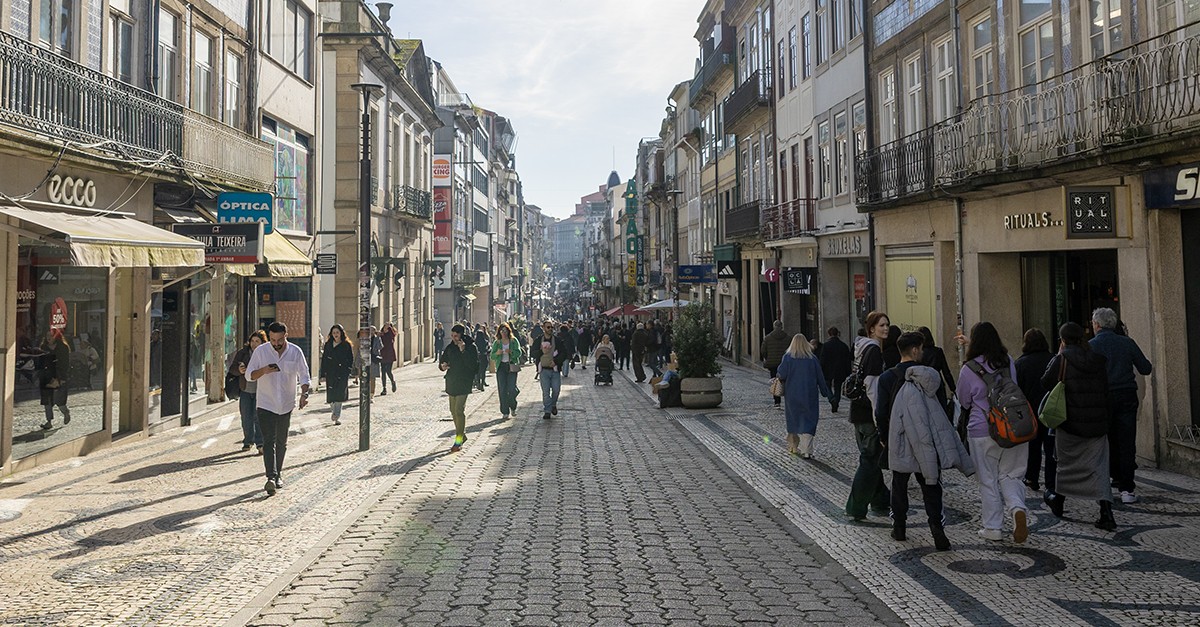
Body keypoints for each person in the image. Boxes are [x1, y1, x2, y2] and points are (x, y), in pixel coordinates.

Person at [880, 332, 974, 551]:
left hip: (901, 439)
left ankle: (900, 527)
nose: (922, 352)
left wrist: (885, 437)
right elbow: (941, 408)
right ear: (914, 350)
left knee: (899, 484)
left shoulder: (887, 378)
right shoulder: (931, 377)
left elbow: (881, 411)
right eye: (921, 349)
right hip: (926, 440)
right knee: (931, 484)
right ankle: (936, 528)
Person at [958, 321, 1029, 543]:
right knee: (1011, 474)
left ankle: (993, 528)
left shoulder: (968, 368)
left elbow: (963, 400)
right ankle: (1017, 508)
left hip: (982, 430)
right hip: (1012, 426)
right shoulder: (1008, 361)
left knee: (988, 480)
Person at [1042, 322, 1116, 531]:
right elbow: (1105, 390)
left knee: (1066, 465)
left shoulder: (1061, 360)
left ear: (1062, 340)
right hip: (1096, 423)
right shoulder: (1097, 360)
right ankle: (1106, 511)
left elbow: (1045, 383)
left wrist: (1058, 355)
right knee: (1099, 468)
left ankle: (1058, 500)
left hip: (1070, 422)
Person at [1089, 307, 1153, 504]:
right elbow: (1146, 367)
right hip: (1126, 395)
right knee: (1126, 441)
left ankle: (1104, 485)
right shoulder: (1127, 343)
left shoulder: (1091, 345)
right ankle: (1127, 489)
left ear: (1097, 325)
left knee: (1103, 441)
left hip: (1102, 398)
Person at [246, 321, 311, 497]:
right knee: (268, 441)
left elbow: (304, 375)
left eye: (280, 340)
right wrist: (264, 370)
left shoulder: (295, 352)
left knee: (281, 441)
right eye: (273, 340)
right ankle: (271, 477)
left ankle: (279, 474)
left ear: (286, 335)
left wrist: (304, 395)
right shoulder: (261, 351)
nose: (276, 343)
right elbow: (249, 375)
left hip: (286, 404)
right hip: (265, 403)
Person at [846, 311, 891, 522]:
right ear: (871, 328)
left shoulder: (861, 348)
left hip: (858, 412)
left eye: (887, 325)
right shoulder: (873, 351)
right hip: (868, 414)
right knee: (870, 460)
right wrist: (878, 418)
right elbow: (872, 387)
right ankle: (856, 507)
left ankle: (882, 499)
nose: (886, 329)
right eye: (881, 325)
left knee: (871, 458)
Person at [776, 333, 832, 458]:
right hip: (809, 394)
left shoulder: (787, 358)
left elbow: (781, 374)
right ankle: (807, 450)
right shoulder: (812, 359)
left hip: (792, 395)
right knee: (809, 420)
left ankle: (794, 446)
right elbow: (820, 377)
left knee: (793, 420)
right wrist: (825, 392)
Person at [1015, 328, 1056, 493]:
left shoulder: (1021, 363)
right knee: (1050, 446)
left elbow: (1017, 389)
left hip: (1030, 410)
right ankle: (1051, 482)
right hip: (1050, 409)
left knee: (1032, 445)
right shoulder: (1053, 359)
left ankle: (1031, 477)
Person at [439, 324, 478, 452]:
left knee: (459, 410)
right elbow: (443, 360)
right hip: (452, 381)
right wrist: (442, 366)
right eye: (452, 336)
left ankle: (458, 440)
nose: (454, 338)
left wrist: (463, 350)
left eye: (456, 336)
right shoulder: (450, 347)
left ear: (461, 335)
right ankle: (462, 435)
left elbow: (474, 365)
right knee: (453, 411)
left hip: (464, 381)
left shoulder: (471, 347)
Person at [229, 330, 267, 452]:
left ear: (262, 342)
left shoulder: (266, 354)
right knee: (246, 417)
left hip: (260, 390)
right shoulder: (243, 353)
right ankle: (248, 441)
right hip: (245, 389)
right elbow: (232, 369)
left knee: (258, 417)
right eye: (252, 341)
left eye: (257, 341)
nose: (254, 344)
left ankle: (260, 443)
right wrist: (239, 370)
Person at [531, 321, 569, 419]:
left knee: (556, 390)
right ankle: (547, 411)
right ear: (543, 328)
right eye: (548, 327)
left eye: (551, 327)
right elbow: (532, 353)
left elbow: (564, 353)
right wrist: (541, 352)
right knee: (546, 392)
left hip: (555, 369)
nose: (550, 329)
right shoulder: (539, 340)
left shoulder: (557, 340)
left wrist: (556, 361)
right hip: (543, 370)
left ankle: (553, 404)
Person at [320, 324, 354, 426]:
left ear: (341, 333)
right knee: (331, 394)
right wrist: (323, 373)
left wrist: (348, 370)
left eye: (337, 333)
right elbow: (325, 359)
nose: (335, 335)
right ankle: (333, 411)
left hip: (342, 373)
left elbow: (350, 359)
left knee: (339, 394)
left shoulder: (346, 345)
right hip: (331, 372)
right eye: (334, 333)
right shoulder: (328, 345)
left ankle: (336, 415)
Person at [38, 330, 72, 430]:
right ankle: (49, 421)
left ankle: (65, 412)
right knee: (47, 401)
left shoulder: (63, 347)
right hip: (46, 377)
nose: (49, 337)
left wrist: (62, 378)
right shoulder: (43, 348)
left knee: (59, 400)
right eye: (47, 335)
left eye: (51, 335)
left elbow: (65, 364)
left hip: (58, 376)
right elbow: (40, 362)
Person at [491, 323, 523, 419]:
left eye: (505, 331)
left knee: (511, 388)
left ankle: (513, 406)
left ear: (508, 331)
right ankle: (505, 411)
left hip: (511, 366)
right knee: (502, 389)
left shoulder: (513, 341)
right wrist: (497, 353)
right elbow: (492, 356)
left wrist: (511, 352)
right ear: (499, 332)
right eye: (502, 331)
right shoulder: (497, 343)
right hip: (501, 367)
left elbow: (519, 352)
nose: (503, 333)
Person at [819, 327, 853, 413]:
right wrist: (848, 371)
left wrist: (821, 370)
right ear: (837, 333)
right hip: (840, 370)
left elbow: (823, 359)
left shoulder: (826, 346)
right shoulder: (843, 346)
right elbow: (847, 360)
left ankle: (831, 399)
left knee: (827, 386)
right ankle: (836, 401)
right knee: (838, 388)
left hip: (828, 370)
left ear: (829, 334)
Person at [917, 326, 956, 400]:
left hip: (922, 385)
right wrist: (953, 388)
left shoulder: (918, 354)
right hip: (937, 384)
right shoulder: (938, 351)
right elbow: (946, 372)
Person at [761, 321, 791, 409]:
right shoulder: (788, 338)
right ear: (781, 327)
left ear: (774, 327)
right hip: (785, 363)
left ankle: (777, 401)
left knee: (775, 381)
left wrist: (768, 357)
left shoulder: (767, 338)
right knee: (786, 381)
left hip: (773, 363)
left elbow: (763, 351)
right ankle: (788, 399)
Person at [379, 322, 398, 396]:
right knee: (383, 372)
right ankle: (384, 388)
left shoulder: (391, 334)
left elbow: (393, 335)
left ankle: (393, 382)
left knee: (388, 371)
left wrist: (389, 328)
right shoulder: (381, 334)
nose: (386, 327)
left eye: (388, 326)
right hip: (383, 354)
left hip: (390, 354)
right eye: (385, 326)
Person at [474, 324, 491, 391]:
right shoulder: (485, 342)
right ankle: (482, 384)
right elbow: (488, 350)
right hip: (484, 357)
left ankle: (478, 383)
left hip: (477, 358)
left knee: (478, 372)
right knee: (483, 371)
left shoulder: (475, 343)